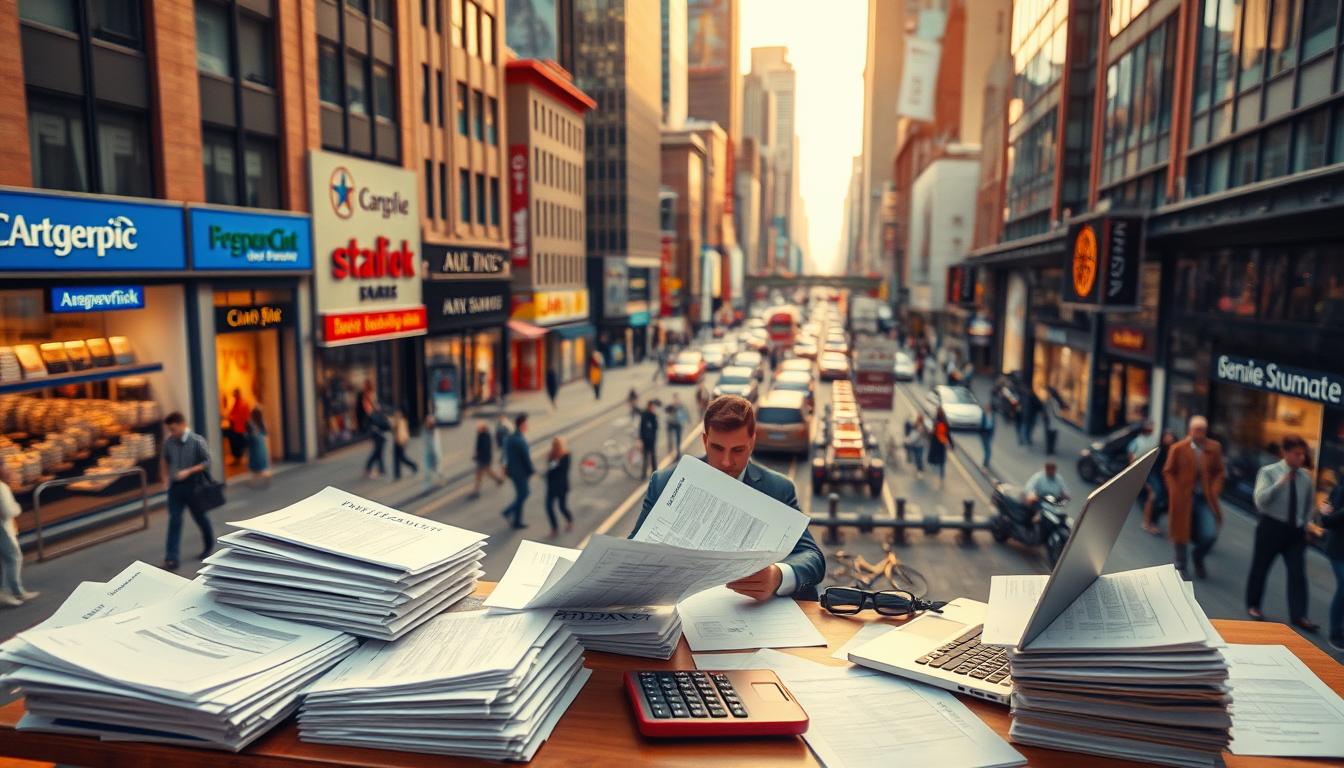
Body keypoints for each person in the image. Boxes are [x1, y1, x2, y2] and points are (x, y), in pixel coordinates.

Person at [630, 395, 826, 600]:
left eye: (738, 450)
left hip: (749, 612)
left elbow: (813, 558)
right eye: (717, 448)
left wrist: (777, 576)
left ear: (752, 442)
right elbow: (632, 551)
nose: (726, 461)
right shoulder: (664, 482)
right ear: (705, 441)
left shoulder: (778, 488)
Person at [1245, 435, 1318, 631]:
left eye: (1303, 454)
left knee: (1297, 573)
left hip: (1294, 532)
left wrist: (1306, 525)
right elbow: (1260, 500)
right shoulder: (1268, 472)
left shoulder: (1306, 478)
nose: (1301, 458)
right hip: (1271, 527)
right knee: (1260, 567)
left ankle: (1299, 616)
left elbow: (1309, 505)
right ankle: (1253, 605)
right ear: (1285, 453)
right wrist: (1280, 484)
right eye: (1296, 454)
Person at [1163, 415, 1225, 580]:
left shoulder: (1214, 448)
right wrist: (1174, 490)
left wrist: (1215, 489)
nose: (1200, 433)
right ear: (1190, 430)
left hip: (1205, 498)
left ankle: (1198, 556)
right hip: (1183, 498)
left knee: (1210, 534)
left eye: (1203, 430)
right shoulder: (1178, 448)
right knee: (1180, 533)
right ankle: (1181, 565)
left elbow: (1220, 471)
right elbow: (1168, 471)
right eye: (1197, 430)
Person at [160, 412, 215, 572]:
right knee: (174, 520)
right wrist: (165, 479)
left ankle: (209, 544)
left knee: (201, 518)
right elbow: (164, 459)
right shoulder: (169, 443)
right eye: (169, 430)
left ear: (183, 424)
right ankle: (171, 558)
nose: (172, 433)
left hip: (194, 486)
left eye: (174, 429)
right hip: (175, 488)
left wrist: (189, 471)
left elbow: (207, 462)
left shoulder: (197, 441)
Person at [1314, 477, 1344, 650]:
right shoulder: (1341, 489)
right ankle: (1335, 633)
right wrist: (1326, 512)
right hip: (1338, 549)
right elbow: (1328, 521)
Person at [0, 480, 36, 607]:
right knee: (13, 558)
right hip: (3, 528)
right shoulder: (1, 487)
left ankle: (13, 591)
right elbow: (8, 511)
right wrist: (17, 507)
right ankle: (13, 592)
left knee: (5, 559)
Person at [502, 414, 535, 529]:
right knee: (524, 494)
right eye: (526, 423)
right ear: (522, 425)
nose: (528, 426)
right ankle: (508, 512)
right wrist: (532, 471)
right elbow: (526, 458)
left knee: (521, 494)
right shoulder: (520, 440)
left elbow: (505, 455)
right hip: (520, 473)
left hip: (513, 472)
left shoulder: (510, 438)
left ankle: (517, 521)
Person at [1128, 421, 1161, 534]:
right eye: (1148, 427)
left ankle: (1152, 521)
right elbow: (1131, 459)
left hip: (1151, 471)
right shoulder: (1137, 441)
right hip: (1141, 472)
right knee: (1152, 495)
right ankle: (1146, 522)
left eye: (1151, 427)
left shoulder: (1154, 440)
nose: (1150, 429)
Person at [544, 437, 574, 538]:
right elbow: (549, 470)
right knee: (548, 507)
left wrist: (556, 461)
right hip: (551, 487)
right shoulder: (551, 456)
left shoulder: (566, 456)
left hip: (561, 487)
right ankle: (554, 528)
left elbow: (563, 470)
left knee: (562, 507)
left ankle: (569, 520)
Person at [471, 421, 504, 497]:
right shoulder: (480, 435)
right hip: (482, 458)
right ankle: (499, 480)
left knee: (479, 475)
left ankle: (476, 491)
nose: (477, 429)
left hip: (484, 459)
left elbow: (485, 449)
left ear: (483, 428)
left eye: (479, 427)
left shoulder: (486, 436)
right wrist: (476, 455)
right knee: (488, 472)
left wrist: (478, 457)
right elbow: (478, 447)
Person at [363, 388, 389, 479]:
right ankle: (369, 467)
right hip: (377, 436)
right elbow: (371, 424)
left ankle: (381, 469)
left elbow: (385, 425)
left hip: (380, 436)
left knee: (379, 453)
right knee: (376, 453)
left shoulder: (378, 413)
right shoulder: (373, 413)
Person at [927, 408, 953, 485]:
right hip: (941, 444)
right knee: (942, 458)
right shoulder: (945, 422)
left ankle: (937, 469)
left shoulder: (936, 422)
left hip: (936, 443)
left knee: (936, 457)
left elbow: (934, 432)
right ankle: (942, 473)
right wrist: (950, 444)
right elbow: (947, 434)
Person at [245, 405, 271, 485]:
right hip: (261, 445)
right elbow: (266, 433)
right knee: (261, 462)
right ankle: (264, 477)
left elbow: (247, 435)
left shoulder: (250, 423)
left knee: (255, 463)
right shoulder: (261, 422)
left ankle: (255, 481)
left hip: (253, 446)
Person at [390, 410, 419, 480]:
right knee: (396, 459)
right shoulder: (395, 422)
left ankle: (414, 465)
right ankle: (397, 475)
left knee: (403, 458)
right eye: (395, 415)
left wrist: (405, 441)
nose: (396, 416)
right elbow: (391, 428)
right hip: (396, 442)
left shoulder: (402, 422)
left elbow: (405, 433)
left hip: (401, 442)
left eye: (397, 414)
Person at [226, 388, 250, 465]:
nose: (234, 396)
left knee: (237, 444)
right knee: (235, 443)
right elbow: (232, 413)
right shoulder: (237, 402)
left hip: (240, 428)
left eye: (235, 394)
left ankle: (238, 458)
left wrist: (230, 417)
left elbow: (241, 416)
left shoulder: (242, 403)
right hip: (236, 427)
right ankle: (237, 458)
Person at [639, 400, 659, 477]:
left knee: (653, 456)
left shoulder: (653, 416)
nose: (653, 408)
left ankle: (655, 473)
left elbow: (655, 428)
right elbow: (641, 428)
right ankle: (644, 473)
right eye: (652, 407)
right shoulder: (644, 415)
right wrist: (640, 439)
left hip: (652, 440)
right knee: (645, 457)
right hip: (645, 440)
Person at [904, 412, 929, 477]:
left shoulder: (920, 427)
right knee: (918, 458)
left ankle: (920, 471)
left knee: (918, 458)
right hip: (918, 445)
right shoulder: (918, 425)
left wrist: (909, 441)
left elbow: (916, 436)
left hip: (918, 445)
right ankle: (920, 469)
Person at [422, 414, 443, 488]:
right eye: (427, 421)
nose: (427, 423)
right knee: (427, 471)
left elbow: (436, 446)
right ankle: (427, 485)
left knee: (437, 469)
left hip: (434, 454)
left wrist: (437, 456)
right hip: (428, 454)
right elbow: (425, 442)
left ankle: (440, 480)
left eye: (429, 422)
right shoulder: (425, 431)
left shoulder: (434, 432)